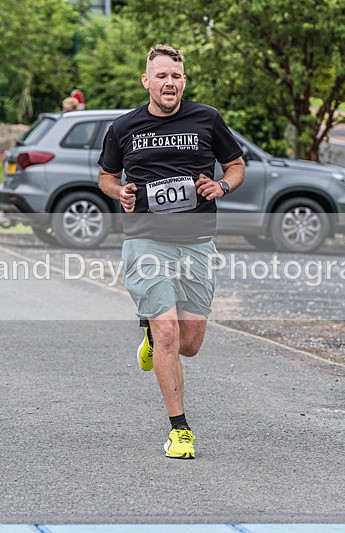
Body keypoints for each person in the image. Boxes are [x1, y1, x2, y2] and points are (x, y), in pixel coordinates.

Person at [97, 44, 245, 459]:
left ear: (184, 81)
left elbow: (236, 166)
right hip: (146, 241)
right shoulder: (124, 127)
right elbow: (106, 176)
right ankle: (180, 430)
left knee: (189, 343)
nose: (169, 83)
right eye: (161, 75)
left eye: (175, 76)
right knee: (168, 333)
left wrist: (222, 185)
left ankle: (151, 334)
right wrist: (119, 192)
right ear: (147, 80)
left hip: (196, 243)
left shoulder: (207, 119)